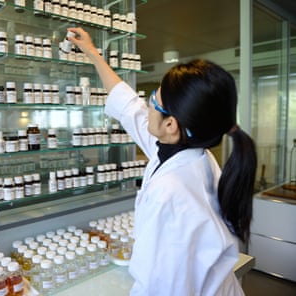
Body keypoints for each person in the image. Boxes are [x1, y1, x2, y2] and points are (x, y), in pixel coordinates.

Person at [68, 27, 258, 295]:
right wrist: (93, 54)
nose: (145, 107)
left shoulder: (170, 191)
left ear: (171, 124)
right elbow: (127, 107)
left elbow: (162, 287)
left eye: (152, 101)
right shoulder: (191, 152)